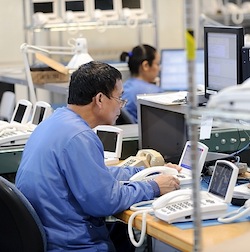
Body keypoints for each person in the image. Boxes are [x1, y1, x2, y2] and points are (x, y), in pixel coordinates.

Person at [15, 61, 180, 251]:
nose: (121, 106)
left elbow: (95, 175)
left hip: (54, 234)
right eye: (119, 98)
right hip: (73, 245)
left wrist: (146, 170)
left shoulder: (56, 122)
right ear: (100, 99)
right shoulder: (80, 137)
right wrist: (153, 186)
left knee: (123, 234)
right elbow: (106, 201)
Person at [120, 44, 164, 123]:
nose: (159, 68)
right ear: (146, 65)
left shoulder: (124, 87)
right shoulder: (154, 93)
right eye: (157, 64)